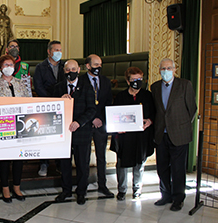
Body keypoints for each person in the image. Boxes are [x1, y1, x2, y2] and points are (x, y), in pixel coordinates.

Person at [151, 58, 197, 211]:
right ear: (159, 71)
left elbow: (192, 109)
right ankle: (166, 195)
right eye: (163, 68)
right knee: (162, 167)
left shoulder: (185, 85)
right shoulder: (155, 87)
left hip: (179, 134)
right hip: (161, 134)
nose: (165, 71)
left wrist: (181, 125)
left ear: (175, 69)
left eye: (169, 68)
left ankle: (178, 198)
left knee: (178, 168)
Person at [53, 60, 96, 205]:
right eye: (67, 69)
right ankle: (66, 190)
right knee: (64, 164)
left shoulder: (87, 87)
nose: (70, 71)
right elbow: (51, 107)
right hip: (63, 132)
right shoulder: (58, 88)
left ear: (78, 69)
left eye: (73, 68)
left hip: (82, 131)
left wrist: (79, 122)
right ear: (64, 71)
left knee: (82, 164)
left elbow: (91, 110)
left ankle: (81, 192)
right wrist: (60, 100)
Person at [0, 54, 32, 203]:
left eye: (11, 65)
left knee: (18, 158)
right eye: (6, 65)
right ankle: (5, 188)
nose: (9, 67)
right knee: (5, 159)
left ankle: (17, 186)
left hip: (21, 124)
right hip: (4, 125)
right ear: (1, 68)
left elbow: (29, 101)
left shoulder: (21, 83)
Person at [110, 67, 155, 201]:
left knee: (139, 164)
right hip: (124, 137)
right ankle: (122, 190)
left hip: (141, 136)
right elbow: (114, 115)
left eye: (139, 79)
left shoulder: (148, 96)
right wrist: (117, 127)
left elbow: (153, 113)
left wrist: (150, 121)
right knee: (122, 164)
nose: (137, 82)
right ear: (128, 81)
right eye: (134, 79)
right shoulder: (121, 96)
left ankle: (137, 189)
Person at [79, 54, 113, 197]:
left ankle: (102, 185)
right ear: (88, 66)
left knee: (101, 156)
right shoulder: (80, 81)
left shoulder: (105, 81)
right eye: (95, 65)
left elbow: (108, 102)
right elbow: (79, 105)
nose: (99, 67)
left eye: (100, 64)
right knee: (84, 158)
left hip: (101, 124)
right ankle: (82, 188)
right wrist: (91, 118)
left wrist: (101, 119)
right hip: (86, 124)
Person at [33, 40, 66, 176]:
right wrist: (50, 100)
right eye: (56, 50)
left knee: (60, 135)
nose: (58, 52)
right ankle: (44, 163)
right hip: (46, 104)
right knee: (45, 135)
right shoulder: (40, 67)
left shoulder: (65, 66)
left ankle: (59, 163)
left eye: (60, 50)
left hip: (62, 105)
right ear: (49, 51)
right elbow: (38, 86)